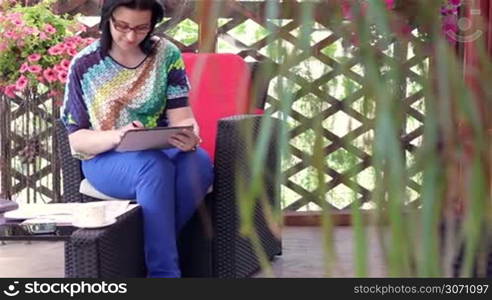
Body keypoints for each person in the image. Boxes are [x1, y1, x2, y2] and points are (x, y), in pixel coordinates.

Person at [61, 0, 214, 278]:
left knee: (199, 164)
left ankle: (136, 252)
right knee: (153, 166)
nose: (131, 36)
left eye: (141, 28)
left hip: (159, 149)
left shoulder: (166, 54)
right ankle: (164, 273)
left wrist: (190, 135)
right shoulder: (84, 64)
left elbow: (181, 116)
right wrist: (118, 135)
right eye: (122, 26)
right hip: (104, 158)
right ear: (108, 18)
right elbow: (78, 141)